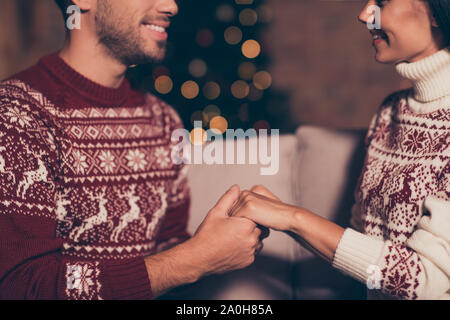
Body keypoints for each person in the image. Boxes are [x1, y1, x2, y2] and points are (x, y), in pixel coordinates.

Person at [0, 0, 265, 299]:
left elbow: (169, 255)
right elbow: (18, 285)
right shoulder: (16, 116)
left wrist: (217, 242)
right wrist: (193, 260)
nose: (172, 6)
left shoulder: (163, 120)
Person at [231, 0, 450, 300]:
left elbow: (425, 282)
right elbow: (362, 254)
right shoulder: (390, 112)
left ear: (437, 12)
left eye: (382, 2)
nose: (364, 15)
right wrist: (284, 220)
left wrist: (294, 218)